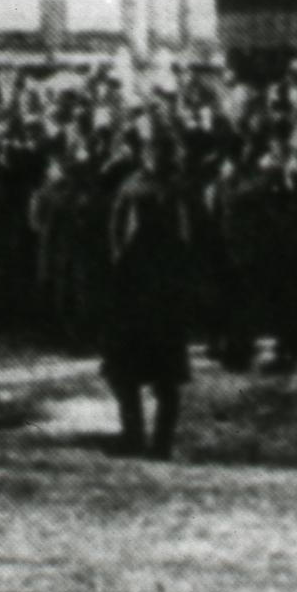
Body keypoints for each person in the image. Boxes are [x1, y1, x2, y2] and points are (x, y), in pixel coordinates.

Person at [99, 130, 197, 460]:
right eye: (152, 152)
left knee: (161, 376)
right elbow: (115, 234)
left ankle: (157, 442)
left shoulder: (176, 189)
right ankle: (137, 437)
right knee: (126, 371)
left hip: (161, 292)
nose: (156, 158)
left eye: (161, 153)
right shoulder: (133, 187)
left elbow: (189, 239)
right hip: (138, 290)